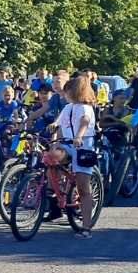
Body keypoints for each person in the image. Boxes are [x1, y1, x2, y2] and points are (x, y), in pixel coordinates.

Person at [52, 72, 99, 239]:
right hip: (67, 144)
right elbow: (59, 124)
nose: (65, 94)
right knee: (51, 158)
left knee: (83, 188)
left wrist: (79, 136)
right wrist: (53, 129)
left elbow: (84, 122)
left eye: (67, 91)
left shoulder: (86, 108)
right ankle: (55, 190)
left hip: (83, 147)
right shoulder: (68, 107)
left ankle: (86, 227)